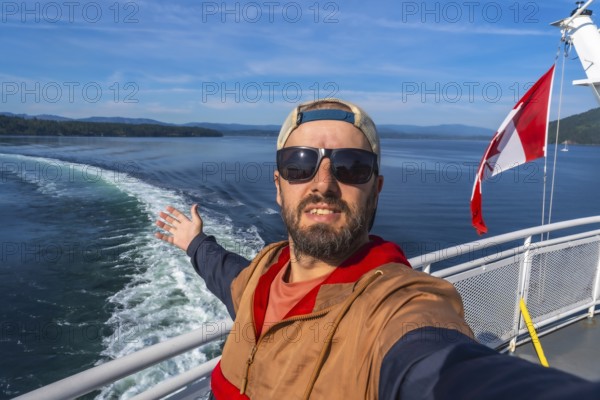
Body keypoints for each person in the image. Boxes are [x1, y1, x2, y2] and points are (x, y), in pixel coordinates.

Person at [156, 99, 599, 400]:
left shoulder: (395, 308)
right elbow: (225, 273)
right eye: (299, 166)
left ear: (376, 189)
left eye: (352, 167)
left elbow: (435, 363)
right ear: (278, 187)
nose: (324, 184)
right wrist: (194, 241)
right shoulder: (262, 272)